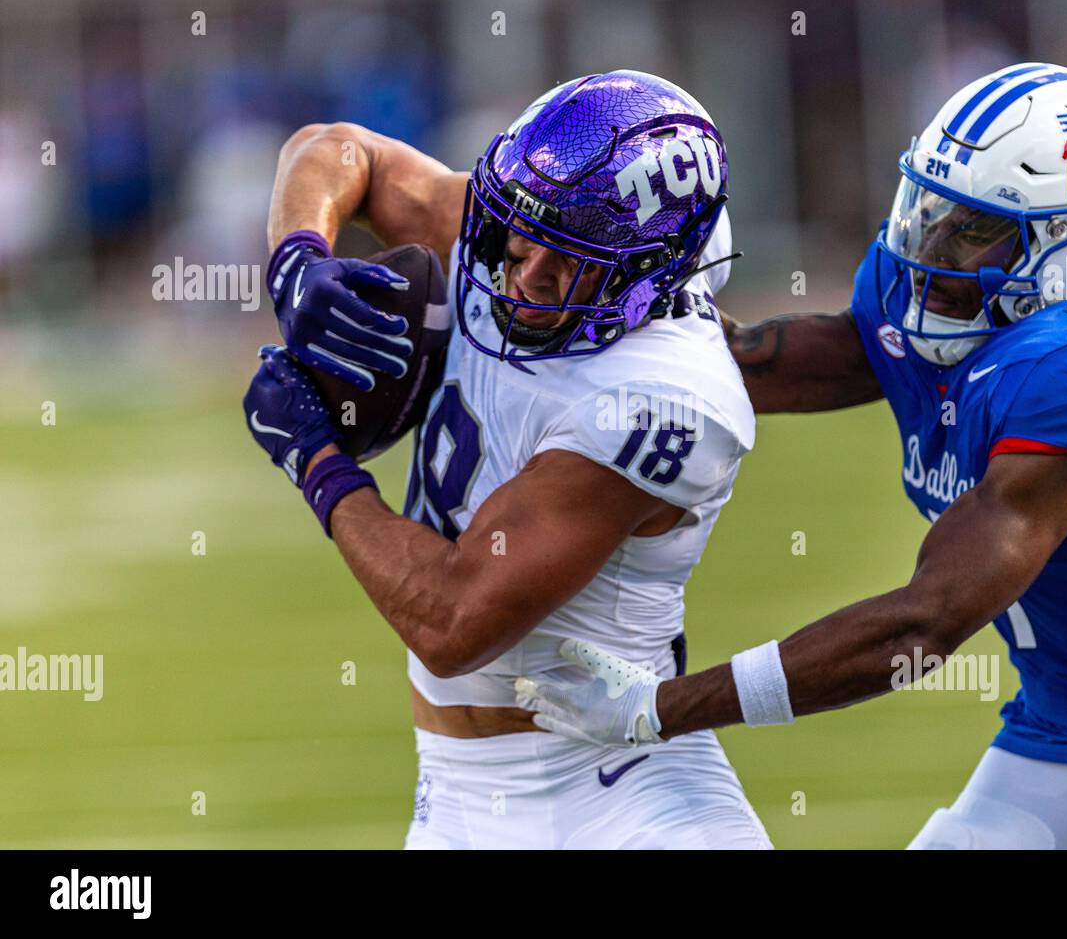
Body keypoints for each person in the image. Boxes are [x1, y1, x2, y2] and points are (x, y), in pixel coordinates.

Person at [517, 63, 1067, 850]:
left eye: (971, 227)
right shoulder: (932, 299)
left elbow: (923, 625)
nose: (930, 243)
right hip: (1054, 742)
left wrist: (663, 707)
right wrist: (631, 308)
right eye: (932, 205)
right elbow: (799, 358)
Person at [242, 71, 770, 849]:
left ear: (644, 275)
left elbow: (454, 621)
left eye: (567, 261)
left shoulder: (662, 394)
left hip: (627, 796)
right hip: (454, 794)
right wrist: (297, 259)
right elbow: (333, 149)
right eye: (523, 239)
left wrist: (316, 459)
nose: (523, 275)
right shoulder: (522, 230)